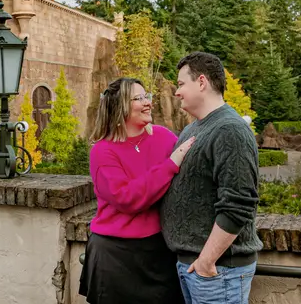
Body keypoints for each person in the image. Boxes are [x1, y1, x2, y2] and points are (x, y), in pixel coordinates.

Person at [79, 77, 195, 303]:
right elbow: (127, 198)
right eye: (138, 98)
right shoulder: (103, 152)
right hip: (114, 256)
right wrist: (170, 164)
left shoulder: (164, 137)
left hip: (158, 251)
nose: (147, 102)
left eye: (147, 96)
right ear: (120, 106)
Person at [162, 52, 261, 304]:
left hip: (218, 272)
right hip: (194, 267)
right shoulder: (194, 128)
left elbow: (239, 204)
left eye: (182, 84)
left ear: (202, 82)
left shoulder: (230, 130)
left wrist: (206, 261)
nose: (177, 92)